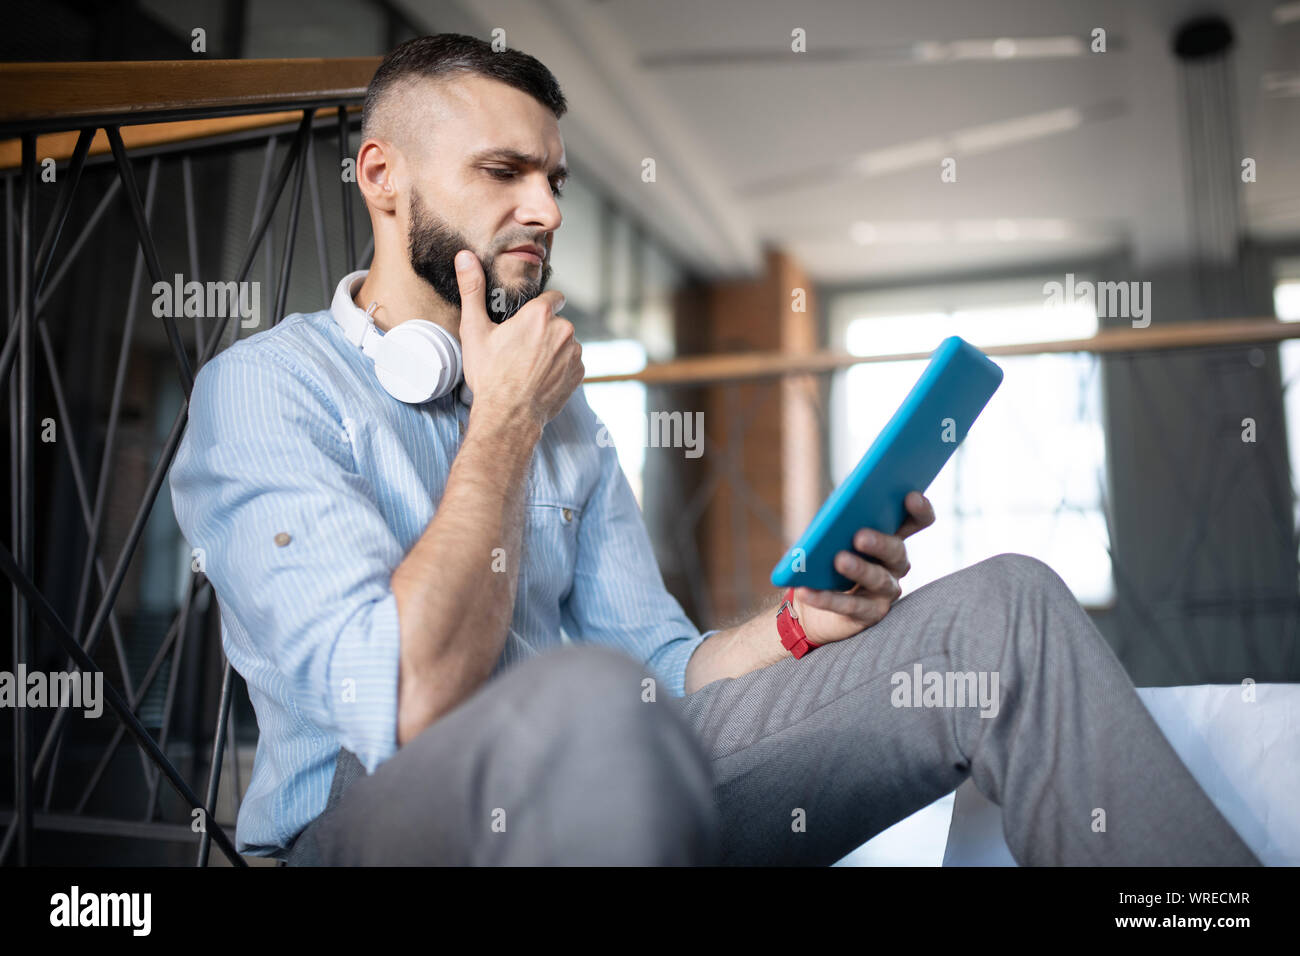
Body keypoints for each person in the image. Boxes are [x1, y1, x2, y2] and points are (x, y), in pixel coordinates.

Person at [168, 33, 1260, 866]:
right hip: (372, 826)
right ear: (381, 178)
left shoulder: (563, 414)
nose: (544, 206)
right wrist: (498, 427)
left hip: (615, 769)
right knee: (587, 702)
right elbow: (412, 701)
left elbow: (654, 667)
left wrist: (797, 623)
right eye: (503, 171)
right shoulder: (266, 391)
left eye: (554, 178)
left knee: (1004, 608)